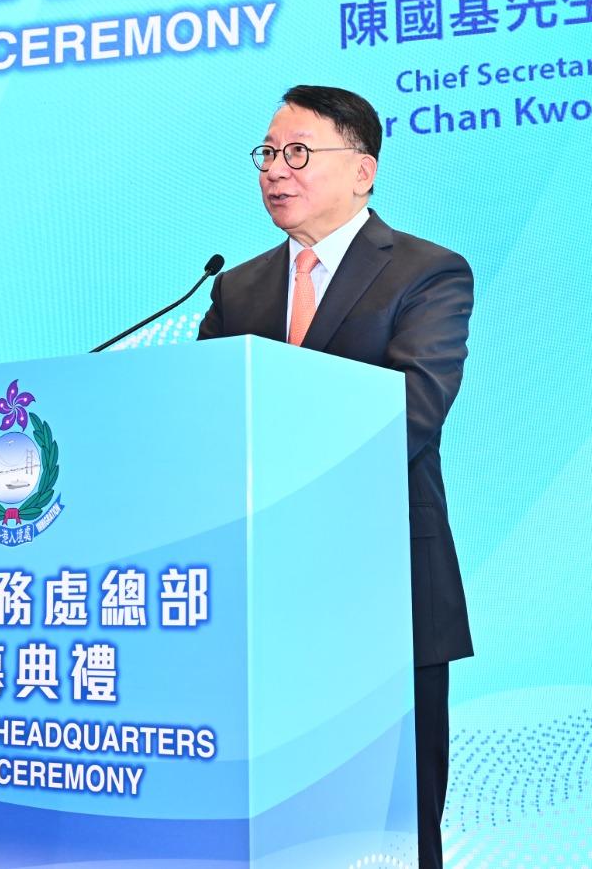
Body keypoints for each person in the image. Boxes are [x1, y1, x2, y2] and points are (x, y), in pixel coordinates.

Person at [197, 84, 473, 869]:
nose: (275, 172)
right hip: (260, 604)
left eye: (297, 153)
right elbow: (204, 423)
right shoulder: (237, 287)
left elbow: (412, 410)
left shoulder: (427, 272)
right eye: (267, 155)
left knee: (391, 831)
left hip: (381, 590)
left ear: (363, 171)